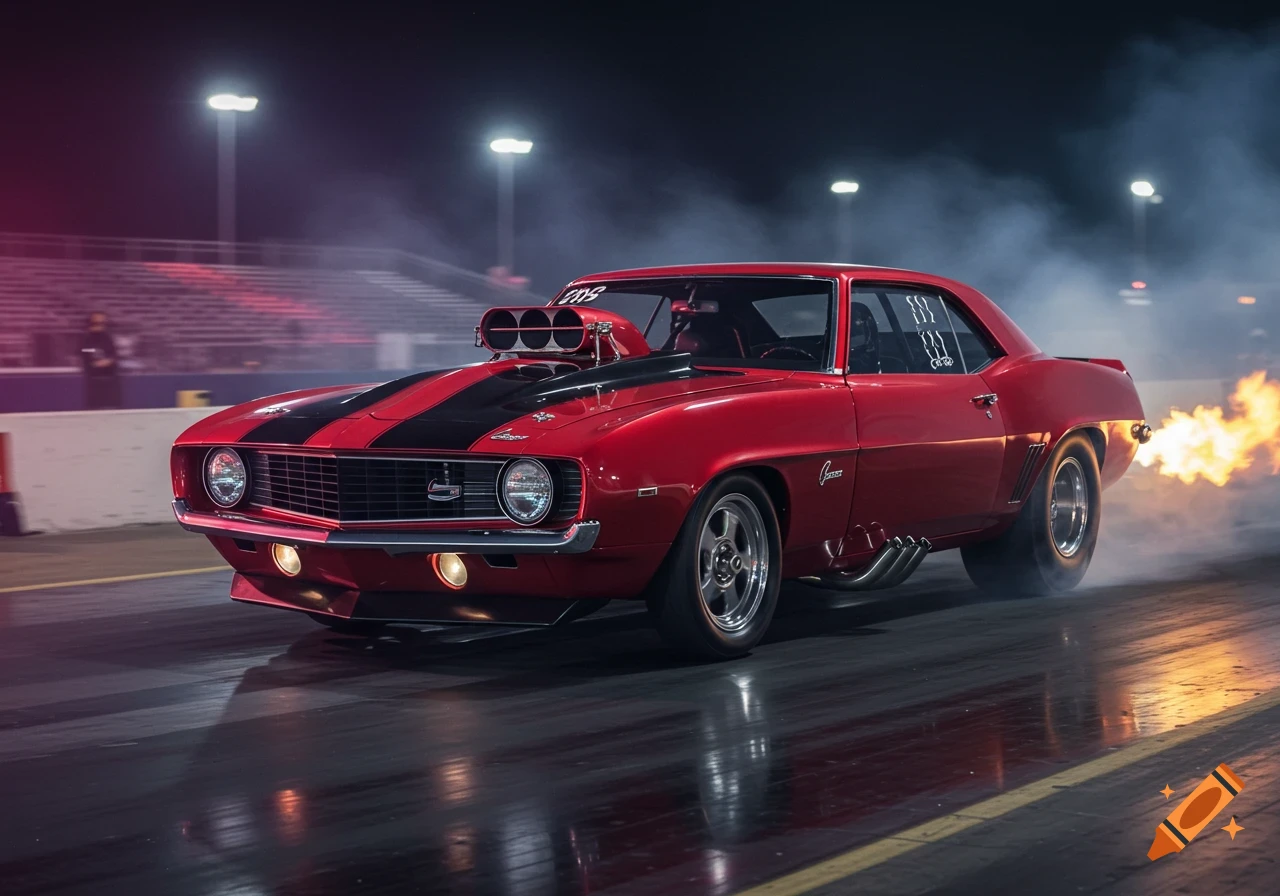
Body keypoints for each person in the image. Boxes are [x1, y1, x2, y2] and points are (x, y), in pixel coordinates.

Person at [80, 312, 122, 409]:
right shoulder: (86, 337)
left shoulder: (108, 337)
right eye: (96, 323)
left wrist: (109, 360)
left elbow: (114, 353)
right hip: (91, 375)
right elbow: (83, 350)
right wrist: (94, 354)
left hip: (109, 375)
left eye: (102, 323)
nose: (100, 326)